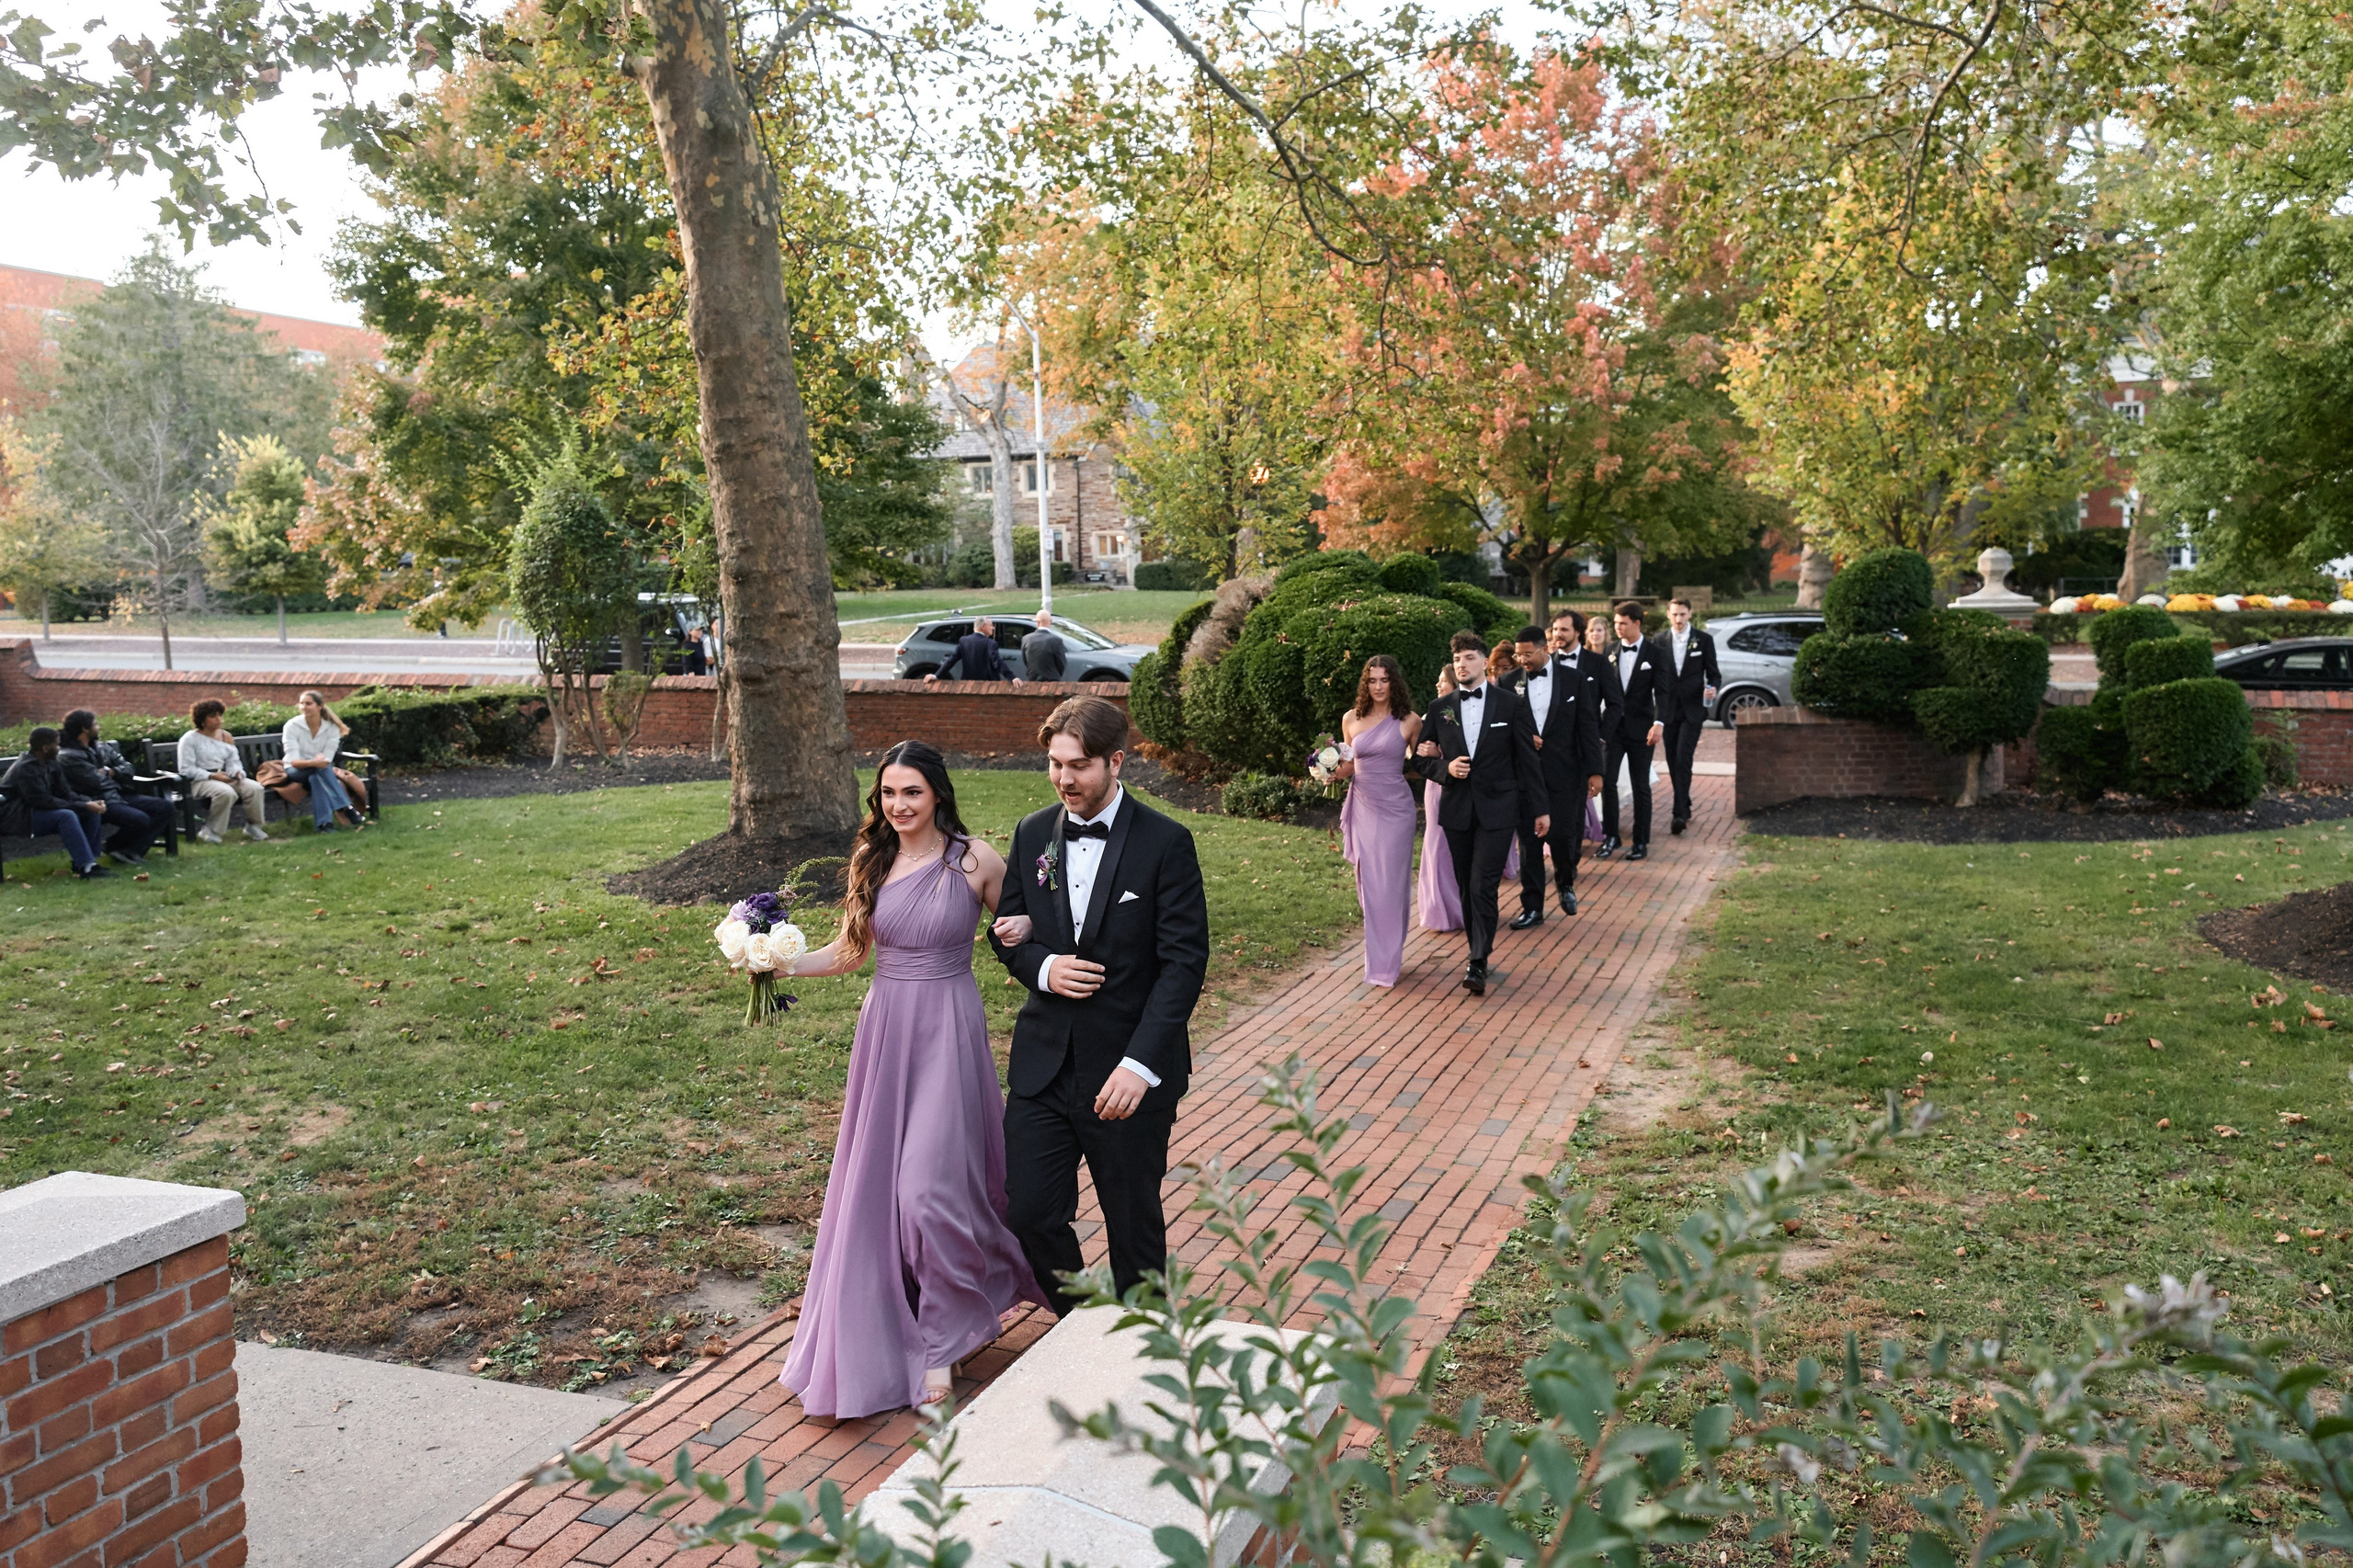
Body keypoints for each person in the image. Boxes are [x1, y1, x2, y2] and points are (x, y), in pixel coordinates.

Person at [777, 741, 1045, 1417]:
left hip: (949, 1031)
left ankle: (943, 1340)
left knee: (929, 1192)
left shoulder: (973, 859)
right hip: (887, 1031)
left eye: (912, 794)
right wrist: (778, 965)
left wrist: (1023, 926)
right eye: (889, 794)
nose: (898, 806)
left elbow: (1029, 922)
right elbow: (849, 951)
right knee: (881, 1196)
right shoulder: (874, 858)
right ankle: (917, 1324)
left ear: (937, 796)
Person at [987, 696, 1210, 1315]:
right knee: (1029, 1211)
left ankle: (1147, 1357)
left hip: (1126, 1075)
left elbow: (1184, 963)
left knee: (1133, 1229)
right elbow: (1008, 929)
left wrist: (1141, 1067)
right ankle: (1084, 1324)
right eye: (1056, 764)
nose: (1064, 779)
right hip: (1044, 1067)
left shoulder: (1167, 843)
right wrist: (1045, 967)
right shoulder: (1034, 833)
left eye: (1079, 765)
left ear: (1117, 762)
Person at [1414, 631, 1543, 996]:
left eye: (1469, 658)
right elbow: (1419, 759)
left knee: (1482, 884)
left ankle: (1477, 959)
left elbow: (1528, 760)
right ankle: (1478, 951)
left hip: (1500, 809)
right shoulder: (1441, 709)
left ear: (1484, 662)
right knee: (1466, 887)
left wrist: (1541, 810)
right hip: (1457, 811)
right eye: (1457, 659)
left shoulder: (1509, 705)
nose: (1461, 664)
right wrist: (1445, 769)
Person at [1504, 625, 1603, 926]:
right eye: (1518, 655)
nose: (1522, 659)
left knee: (1561, 835)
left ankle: (1564, 880)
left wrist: (1595, 772)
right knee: (1529, 841)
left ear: (1544, 648)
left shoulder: (1573, 680)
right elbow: (1501, 727)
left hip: (1565, 772)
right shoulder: (1508, 683)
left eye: (1527, 653)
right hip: (1524, 775)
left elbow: (1588, 727)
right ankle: (1532, 906)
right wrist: (1522, 737)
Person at [1332, 655, 1419, 987]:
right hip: (1363, 807)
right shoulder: (1350, 720)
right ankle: (1381, 956)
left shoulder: (1409, 720)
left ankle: (1387, 962)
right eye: (1372, 681)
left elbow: (1419, 766)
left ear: (1393, 682)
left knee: (1391, 887)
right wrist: (1331, 773)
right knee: (1369, 886)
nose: (1379, 686)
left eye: (1384, 680)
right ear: (1365, 684)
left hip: (1396, 810)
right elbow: (1352, 764)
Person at [57, 710, 170, 866]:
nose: (99, 727)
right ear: (85, 728)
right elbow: (93, 781)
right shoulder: (67, 755)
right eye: (95, 724)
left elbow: (129, 768)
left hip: (117, 795)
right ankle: (114, 846)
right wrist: (113, 774)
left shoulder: (101, 747)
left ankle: (131, 851)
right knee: (140, 819)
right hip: (96, 801)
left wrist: (111, 771)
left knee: (164, 807)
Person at [1599, 602, 1664, 860]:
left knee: (1640, 786)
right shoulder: (1609, 651)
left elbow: (1663, 693)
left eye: (1623, 623)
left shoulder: (1656, 654)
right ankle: (1611, 836)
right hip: (1613, 728)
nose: (1618, 628)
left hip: (1642, 728)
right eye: (1616, 623)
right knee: (1607, 783)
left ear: (1637, 623)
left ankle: (1640, 842)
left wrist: (1658, 723)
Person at [2, 728, 109, 878]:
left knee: (90, 812)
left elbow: (65, 792)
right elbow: (42, 801)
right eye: (57, 745)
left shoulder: (50, 763)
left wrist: (89, 802)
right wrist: (83, 805)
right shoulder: (25, 768)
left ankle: (89, 863)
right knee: (66, 816)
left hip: (38, 811)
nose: (59, 748)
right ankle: (87, 867)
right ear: (46, 748)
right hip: (20, 817)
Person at [1654, 595, 1720, 835]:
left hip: (1692, 709)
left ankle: (1678, 812)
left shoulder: (1703, 640)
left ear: (1690, 614)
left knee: (1683, 757)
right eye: (1674, 614)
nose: (1679, 619)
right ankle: (1685, 799)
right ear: (1668, 615)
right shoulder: (1659, 640)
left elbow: (1714, 673)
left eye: (1682, 614)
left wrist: (1712, 688)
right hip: (1667, 709)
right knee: (1672, 760)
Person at [176, 699, 271, 845]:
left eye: (220, 715)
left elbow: (233, 761)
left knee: (255, 788)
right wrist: (212, 776)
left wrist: (237, 773)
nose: (219, 720)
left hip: (224, 777)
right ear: (201, 719)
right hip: (200, 781)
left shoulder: (226, 736)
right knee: (226, 792)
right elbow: (186, 769)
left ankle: (253, 826)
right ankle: (211, 830)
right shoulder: (189, 739)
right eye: (213, 716)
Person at [279, 691, 367, 833]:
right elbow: (294, 761)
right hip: (294, 771)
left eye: (308, 703)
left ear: (320, 706)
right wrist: (314, 762)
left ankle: (324, 825)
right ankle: (347, 808)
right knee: (320, 770)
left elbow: (327, 758)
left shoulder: (331, 728)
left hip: (320, 770)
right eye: (302, 703)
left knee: (316, 778)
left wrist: (319, 763)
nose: (304, 707)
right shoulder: (292, 726)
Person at [926, 618, 1013, 684]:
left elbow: (951, 660)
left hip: (968, 683)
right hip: (988, 684)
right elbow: (998, 662)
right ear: (983, 626)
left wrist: (936, 675)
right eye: (991, 625)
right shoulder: (990, 643)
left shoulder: (964, 641)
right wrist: (1011, 677)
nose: (993, 628)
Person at [1020, 611, 1068, 684]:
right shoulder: (1056, 640)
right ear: (1050, 622)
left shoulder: (1026, 639)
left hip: (1033, 681)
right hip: (1052, 681)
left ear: (1037, 622)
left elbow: (1026, 660)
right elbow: (1061, 663)